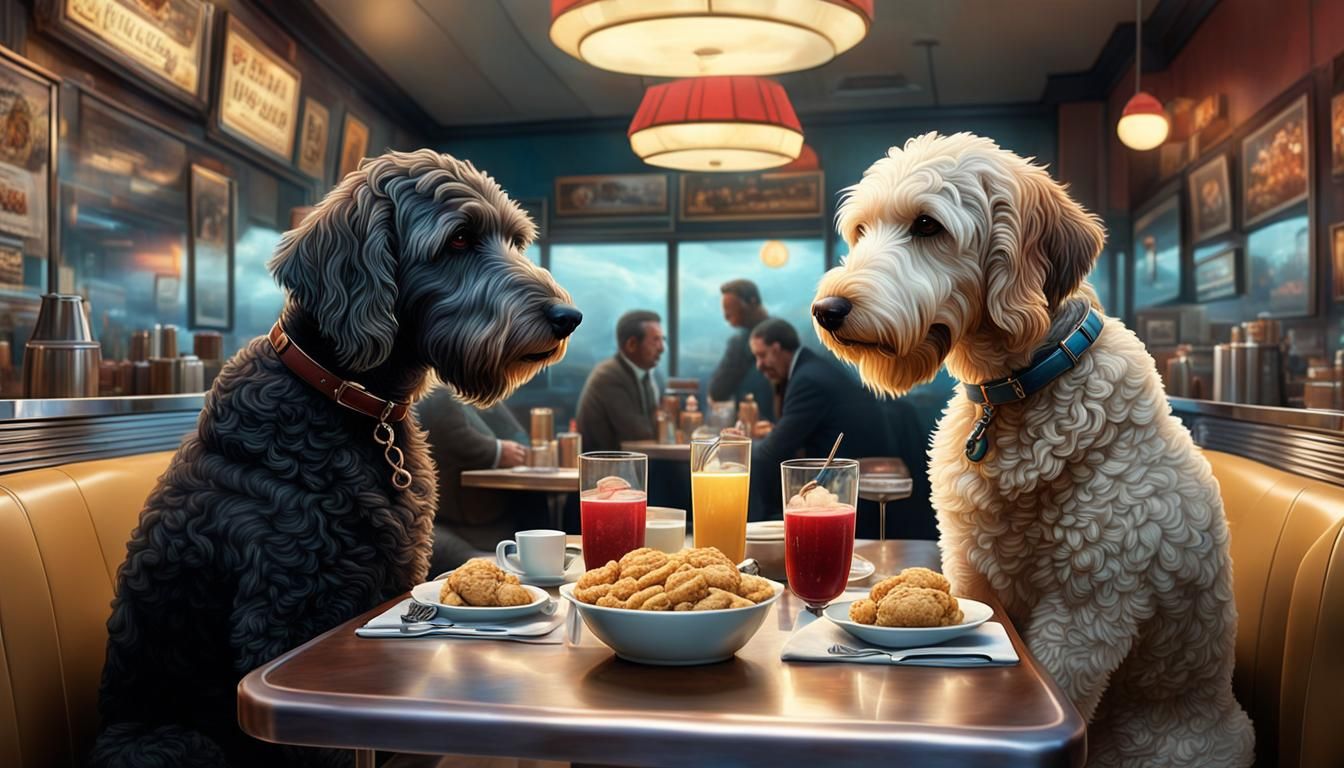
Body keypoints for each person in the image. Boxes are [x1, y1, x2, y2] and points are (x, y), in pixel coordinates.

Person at [747, 318, 935, 538]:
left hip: (847, 487)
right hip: (851, 475)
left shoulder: (807, 380)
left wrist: (741, 450)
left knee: (757, 465)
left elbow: (772, 451)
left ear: (778, 349)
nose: (759, 365)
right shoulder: (811, 368)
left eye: (761, 355)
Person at [418, 386, 545, 574]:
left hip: (488, 510)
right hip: (463, 517)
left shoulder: (477, 389)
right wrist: (498, 451)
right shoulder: (441, 391)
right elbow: (456, 437)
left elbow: (519, 437)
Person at [575, 309, 665, 452]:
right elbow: (637, 434)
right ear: (632, 345)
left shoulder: (646, 376)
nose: (662, 348)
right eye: (655, 340)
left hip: (629, 464)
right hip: (605, 468)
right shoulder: (608, 375)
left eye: (662, 339)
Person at [709, 279, 774, 416]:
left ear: (752, 302)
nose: (726, 316)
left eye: (731, 308)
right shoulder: (741, 339)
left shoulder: (741, 341)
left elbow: (718, 390)